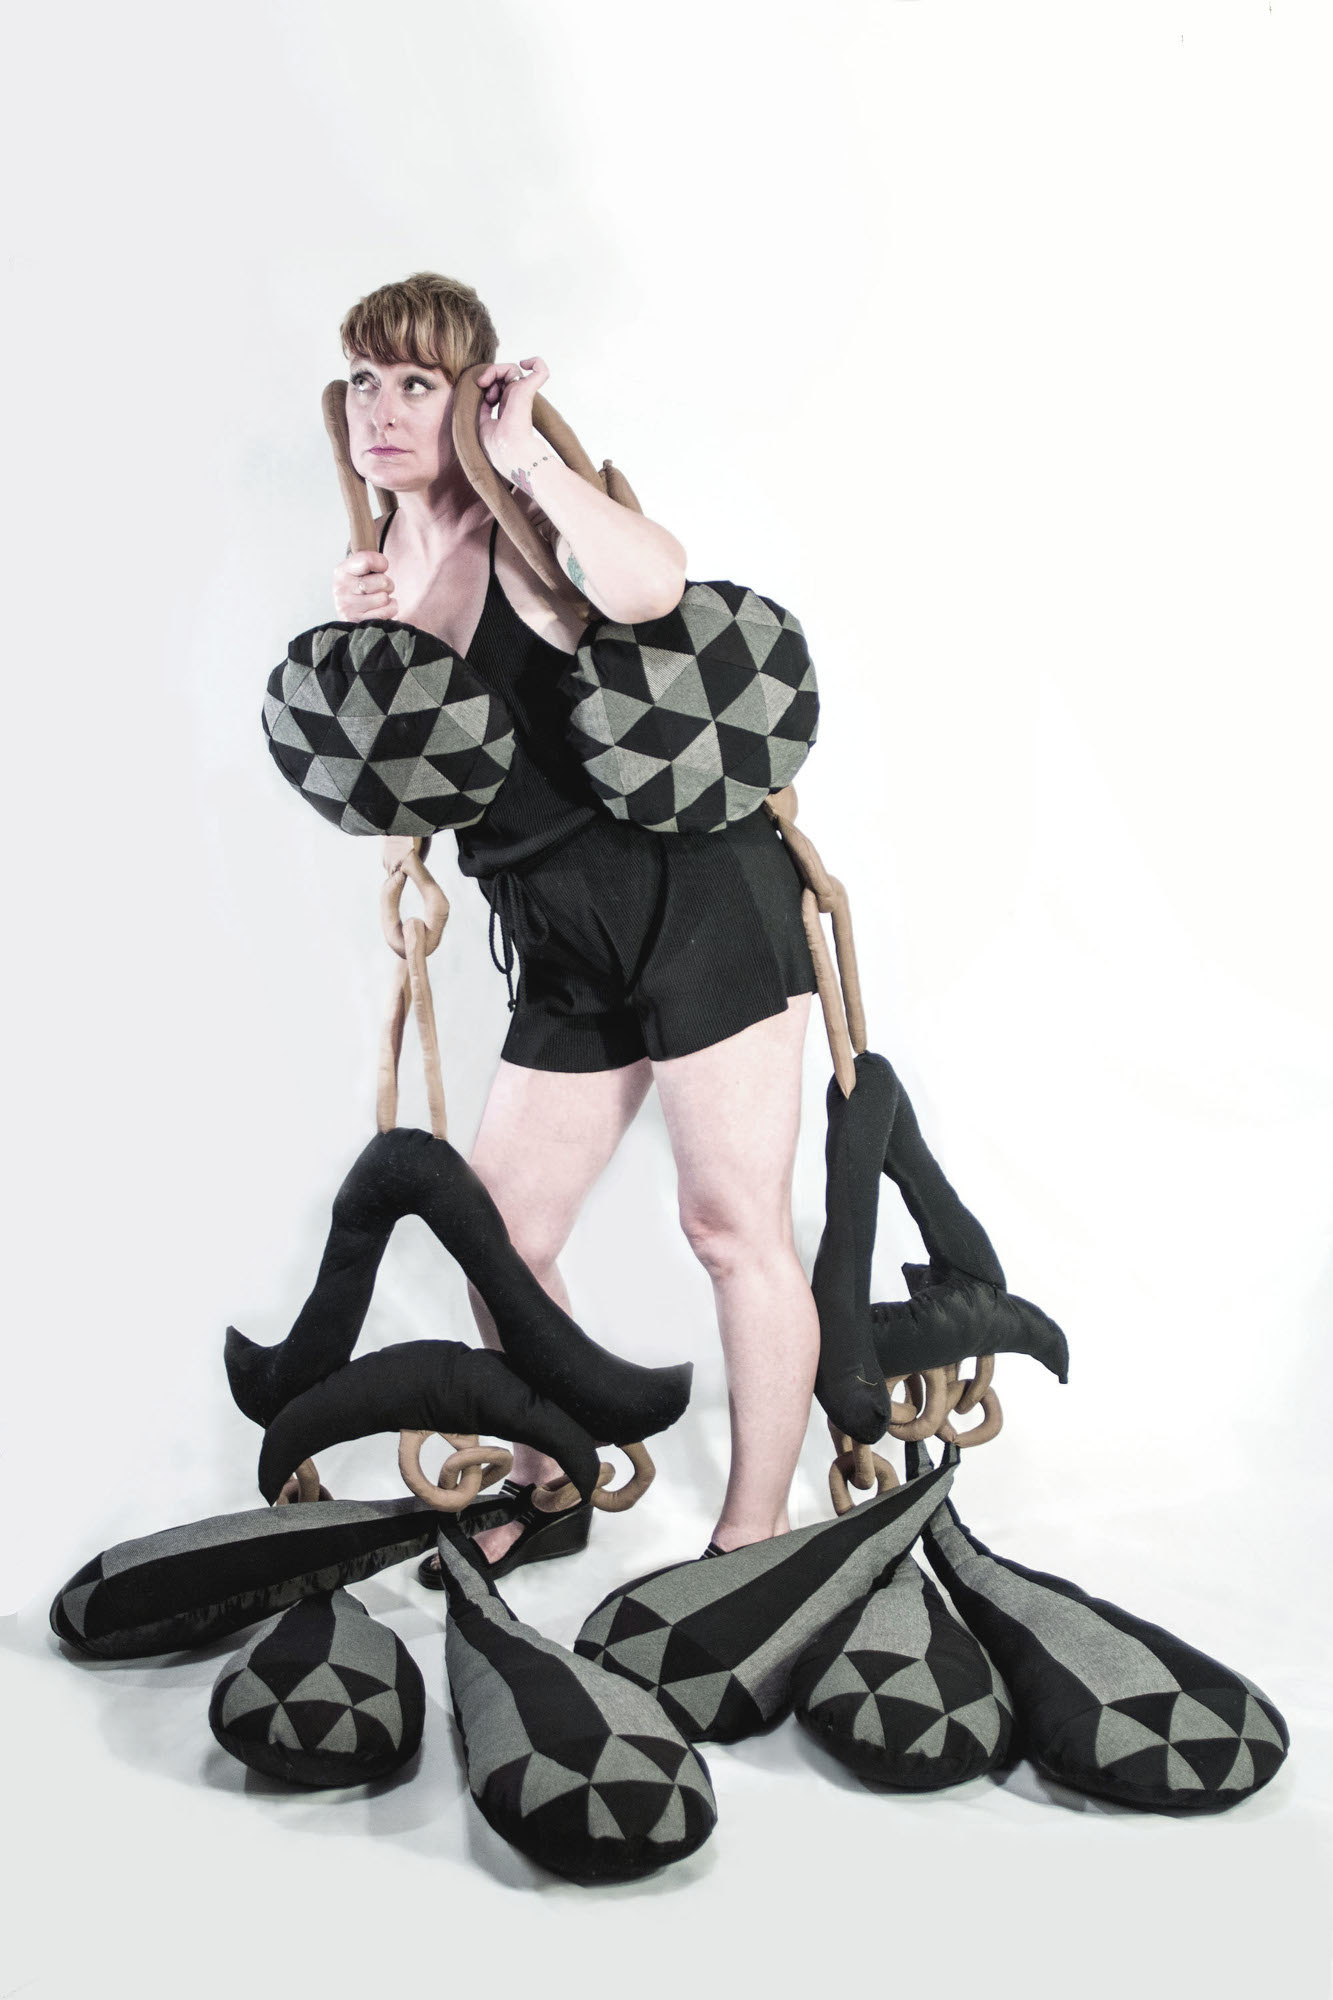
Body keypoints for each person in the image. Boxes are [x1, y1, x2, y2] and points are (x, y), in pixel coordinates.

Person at [333, 273, 820, 1573]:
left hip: (694, 899)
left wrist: (526, 462)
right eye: (366, 381)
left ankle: (754, 1536)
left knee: (730, 1226)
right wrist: (363, 648)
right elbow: (396, 796)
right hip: (557, 937)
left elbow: (656, 585)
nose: (383, 409)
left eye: (417, 383)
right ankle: (550, 1480)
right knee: (501, 1236)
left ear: (469, 393)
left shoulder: (522, 528)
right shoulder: (380, 571)